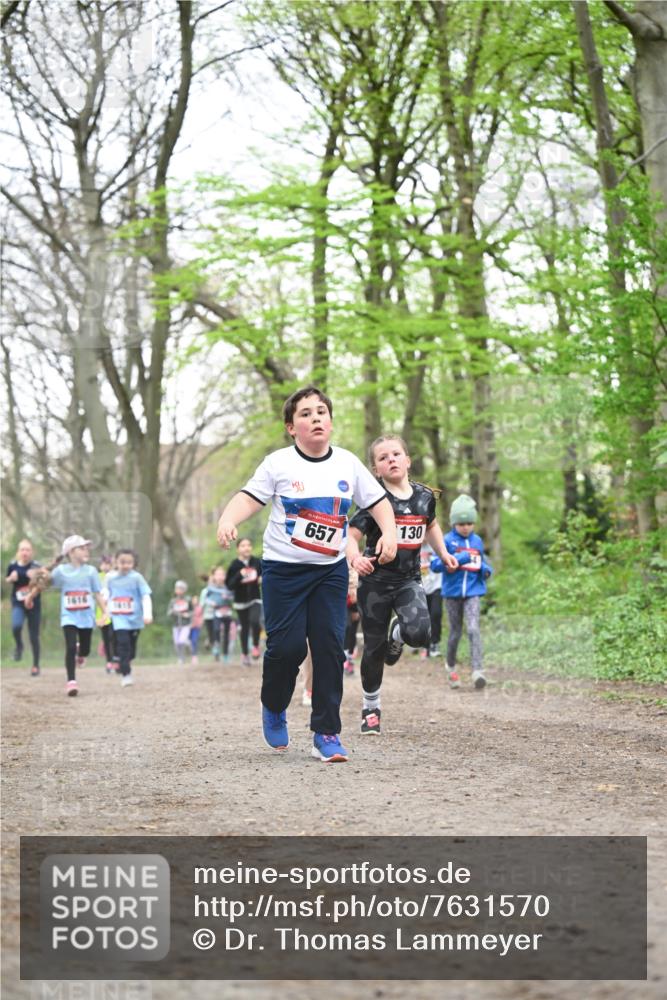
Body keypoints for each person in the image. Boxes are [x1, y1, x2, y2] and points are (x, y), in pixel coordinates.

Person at [216, 385, 397, 763]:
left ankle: (326, 732)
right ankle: (274, 704)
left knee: (331, 648)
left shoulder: (346, 463)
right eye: (305, 413)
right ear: (290, 427)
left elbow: (379, 502)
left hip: (329, 571)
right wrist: (228, 520)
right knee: (288, 648)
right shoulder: (278, 463)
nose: (315, 418)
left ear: (330, 422)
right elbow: (249, 497)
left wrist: (391, 532)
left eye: (321, 412)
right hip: (284, 571)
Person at [347, 435, 458, 736]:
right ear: (376, 469)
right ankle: (371, 707)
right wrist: (355, 560)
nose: (391, 460)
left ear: (408, 460)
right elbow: (351, 535)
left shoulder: (424, 496)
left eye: (396, 454)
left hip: (408, 579)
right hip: (375, 582)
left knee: (420, 634)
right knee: (373, 648)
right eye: (383, 458)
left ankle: (400, 632)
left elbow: (431, 525)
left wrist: (444, 552)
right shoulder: (374, 499)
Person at [431, 494, 493, 690]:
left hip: (473, 592)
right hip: (452, 593)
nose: (465, 527)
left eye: (469, 523)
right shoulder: (447, 541)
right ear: (454, 523)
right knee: (456, 632)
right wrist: (448, 563)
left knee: (474, 629)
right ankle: (451, 668)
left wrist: (485, 569)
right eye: (461, 523)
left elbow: (481, 561)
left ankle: (478, 671)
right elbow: (434, 564)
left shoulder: (477, 541)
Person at [47, 535, 107, 696]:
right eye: (82, 548)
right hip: (69, 616)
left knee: (85, 650)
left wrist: (105, 613)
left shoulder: (91, 571)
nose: (86, 550)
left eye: (87, 547)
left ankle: (81, 653)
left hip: (86, 617)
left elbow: (97, 594)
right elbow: (46, 582)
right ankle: (71, 682)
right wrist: (43, 575)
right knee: (70, 646)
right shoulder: (61, 571)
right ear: (71, 552)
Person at [107, 548, 152, 688]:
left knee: (131, 650)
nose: (125, 565)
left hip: (135, 619)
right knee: (123, 644)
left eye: (129, 562)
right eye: (122, 562)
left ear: (134, 563)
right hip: (118, 617)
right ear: (116, 562)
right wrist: (105, 612)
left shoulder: (137, 578)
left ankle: (124, 660)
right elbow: (104, 594)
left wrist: (147, 614)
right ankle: (126, 674)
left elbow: (145, 596)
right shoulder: (110, 577)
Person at [5, 539, 43, 677]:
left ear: (32, 552)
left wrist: (36, 577)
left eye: (27, 550)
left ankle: (35, 665)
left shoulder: (36, 566)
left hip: (34, 604)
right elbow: (7, 579)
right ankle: (19, 646)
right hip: (18, 603)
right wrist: (11, 578)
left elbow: (43, 583)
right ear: (18, 552)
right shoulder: (12, 566)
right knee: (16, 626)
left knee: (34, 636)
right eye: (22, 549)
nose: (25, 552)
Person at [226, 539, 263, 666]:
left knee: (255, 621)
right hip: (240, 601)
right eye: (243, 546)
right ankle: (245, 654)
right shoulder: (234, 565)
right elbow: (229, 585)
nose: (246, 548)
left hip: (255, 598)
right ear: (238, 549)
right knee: (245, 628)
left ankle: (256, 646)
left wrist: (262, 578)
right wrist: (239, 575)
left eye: (248, 545)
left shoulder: (257, 562)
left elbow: (266, 574)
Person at [201, 566, 234, 662]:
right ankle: (216, 646)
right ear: (214, 576)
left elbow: (233, 597)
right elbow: (206, 598)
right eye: (218, 574)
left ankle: (226, 655)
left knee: (227, 634)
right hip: (216, 612)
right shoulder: (211, 588)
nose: (220, 576)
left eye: (222, 574)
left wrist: (228, 597)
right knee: (216, 630)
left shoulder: (229, 586)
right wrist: (211, 603)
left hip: (227, 612)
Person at [420, 542, 443, 658]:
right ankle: (425, 645)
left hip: (436, 585)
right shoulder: (414, 544)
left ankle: (435, 643)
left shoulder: (436, 543)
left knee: (436, 613)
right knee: (424, 617)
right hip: (420, 586)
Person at [97, 553, 116, 674]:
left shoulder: (114, 576)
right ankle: (109, 661)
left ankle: (115, 659)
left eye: (108, 564)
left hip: (114, 611)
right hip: (101, 612)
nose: (106, 566)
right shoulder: (97, 577)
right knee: (105, 638)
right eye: (104, 564)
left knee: (113, 637)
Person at [168, 581, 192, 665]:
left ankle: (188, 643)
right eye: (177, 588)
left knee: (181, 641)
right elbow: (169, 612)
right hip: (176, 624)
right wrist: (173, 612)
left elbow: (192, 611)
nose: (179, 590)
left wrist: (188, 614)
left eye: (181, 588)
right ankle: (181, 658)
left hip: (185, 624)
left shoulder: (188, 599)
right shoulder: (173, 601)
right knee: (176, 643)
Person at [343, 567, 360, 675]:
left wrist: (356, 608)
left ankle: (349, 660)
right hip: (341, 602)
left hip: (354, 602)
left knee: (352, 632)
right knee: (346, 628)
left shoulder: (357, 561)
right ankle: (343, 660)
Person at [190, 594, 204, 666]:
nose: (195, 601)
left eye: (196, 600)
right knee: (189, 641)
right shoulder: (189, 608)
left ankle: (194, 656)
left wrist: (200, 624)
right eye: (193, 600)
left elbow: (201, 617)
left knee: (194, 641)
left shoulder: (199, 608)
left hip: (196, 627)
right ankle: (191, 655)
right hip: (188, 627)